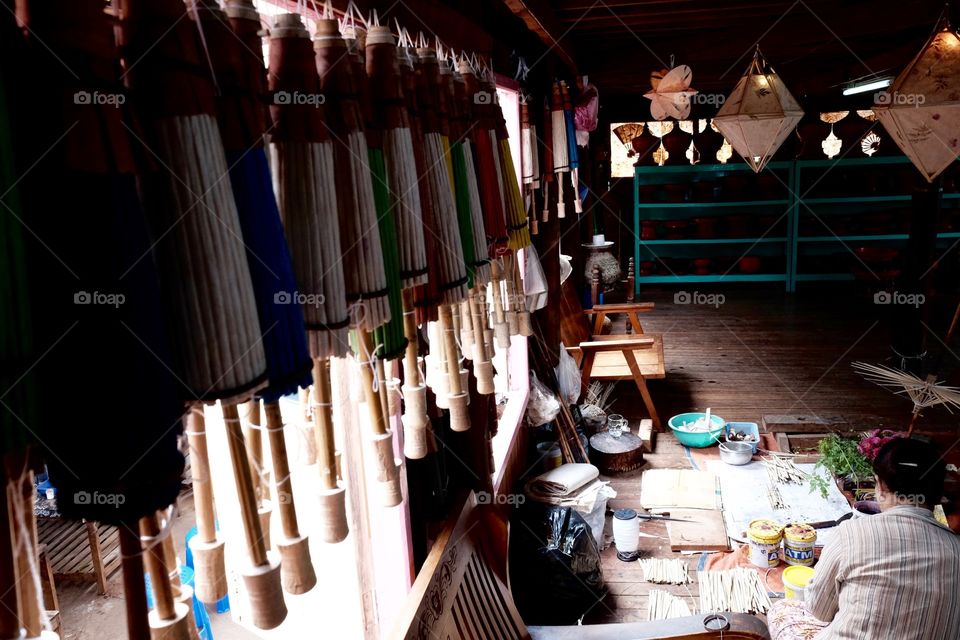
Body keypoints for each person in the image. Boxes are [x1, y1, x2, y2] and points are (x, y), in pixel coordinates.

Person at [768, 437, 960, 640]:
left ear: (879, 485)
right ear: (939, 495)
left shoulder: (849, 535)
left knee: (784, 610)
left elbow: (819, 610)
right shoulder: (956, 548)